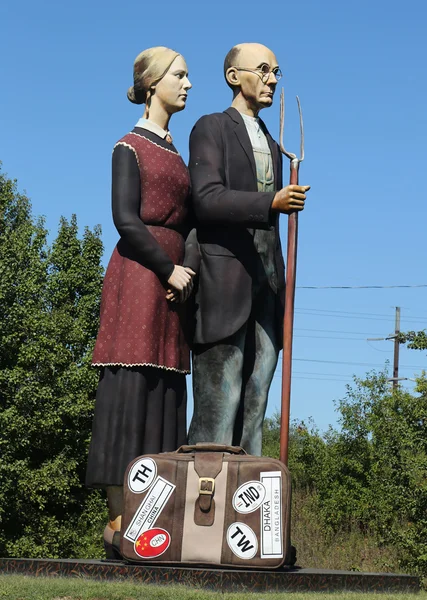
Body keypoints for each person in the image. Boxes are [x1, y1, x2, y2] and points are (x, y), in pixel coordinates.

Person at [85, 46, 197, 558]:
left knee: (166, 387)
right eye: (179, 75)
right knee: (130, 386)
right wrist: (167, 267)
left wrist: (186, 269)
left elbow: (192, 221)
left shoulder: (179, 155)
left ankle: (156, 522)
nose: (188, 84)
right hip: (137, 275)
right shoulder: (126, 146)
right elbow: (126, 220)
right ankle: (119, 519)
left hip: (176, 283)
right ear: (152, 83)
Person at [188, 43, 310, 456]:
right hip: (225, 284)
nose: (273, 78)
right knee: (218, 406)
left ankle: (245, 504)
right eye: (263, 70)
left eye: (277, 71)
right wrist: (270, 202)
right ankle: (204, 502)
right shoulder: (212, 128)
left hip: (267, 286)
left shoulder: (274, 145)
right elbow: (206, 199)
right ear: (233, 77)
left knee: (256, 401)